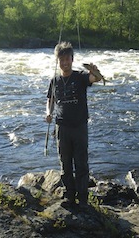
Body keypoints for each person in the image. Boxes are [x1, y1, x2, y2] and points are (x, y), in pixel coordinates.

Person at [46, 41, 101, 209]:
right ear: (58, 61)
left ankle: (83, 199)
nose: (64, 62)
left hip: (79, 127)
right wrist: (48, 112)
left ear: (72, 59)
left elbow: (96, 78)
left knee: (81, 163)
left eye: (67, 59)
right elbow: (50, 100)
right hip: (61, 127)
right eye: (61, 59)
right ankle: (69, 196)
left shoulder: (80, 77)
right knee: (65, 164)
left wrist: (95, 71)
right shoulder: (54, 80)